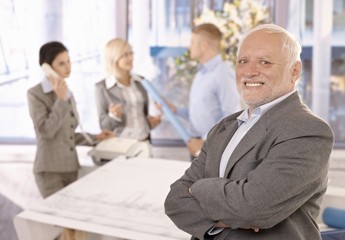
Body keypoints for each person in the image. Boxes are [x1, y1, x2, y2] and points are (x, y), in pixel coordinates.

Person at [164, 24, 334, 240]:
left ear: (295, 70)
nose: (250, 71)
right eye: (243, 61)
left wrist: (198, 188)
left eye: (265, 62)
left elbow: (253, 207)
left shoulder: (308, 131)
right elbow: (175, 201)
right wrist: (218, 226)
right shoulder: (224, 127)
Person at [27, 41, 113, 199]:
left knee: (72, 222)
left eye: (68, 61)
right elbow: (46, 131)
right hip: (50, 172)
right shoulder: (35, 94)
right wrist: (60, 100)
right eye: (61, 63)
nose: (68, 67)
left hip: (71, 168)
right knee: (58, 222)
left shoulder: (67, 92)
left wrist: (95, 137)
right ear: (47, 67)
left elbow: (67, 135)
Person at [161, 23, 241, 157]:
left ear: (204, 45)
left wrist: (204, 140)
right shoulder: (201, 74)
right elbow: (201, 113)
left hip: (212, 146)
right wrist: (176, 110)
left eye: (192, 42)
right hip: (197, 144)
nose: (189, 47)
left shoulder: (222, 72)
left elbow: (232, 115)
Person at [95, 38, 161, 142]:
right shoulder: (102, 87)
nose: (130, 58)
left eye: (131, 53)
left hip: (144, 141)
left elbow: (142, 115)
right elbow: (104, 126)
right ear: (114, 57)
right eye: (125, 55)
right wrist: (113, 116)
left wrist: (151, 122)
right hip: (120, 144)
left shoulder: (140, 82)